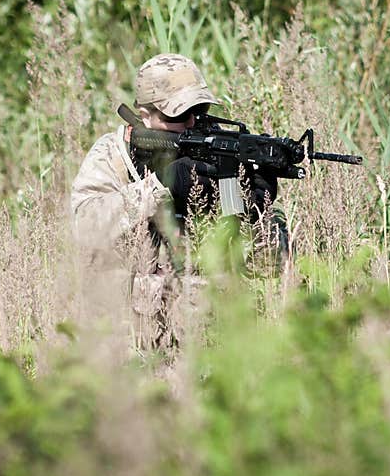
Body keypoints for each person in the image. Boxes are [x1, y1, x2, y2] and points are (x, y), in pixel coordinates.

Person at [70, 53, 282, 346]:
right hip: (133, 340)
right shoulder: (114, 155)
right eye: (179, 115)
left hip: (216, 340)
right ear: (145, 114)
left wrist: (259, 211)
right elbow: (84, 228)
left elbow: (272, 267)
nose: (193, 122)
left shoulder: (220, 154)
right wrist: (160, 186)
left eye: (200, 109)